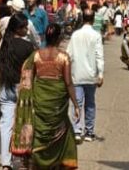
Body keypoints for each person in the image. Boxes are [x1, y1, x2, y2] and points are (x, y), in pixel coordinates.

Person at [11, 23, 81, 169]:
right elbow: (68, 83)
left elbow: (27, 79)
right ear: (59, 38)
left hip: (40, 100)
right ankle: (56, 163)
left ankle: (36, 162)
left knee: (39, 132)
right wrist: (76, 104)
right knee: (63, 131)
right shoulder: (63, 57)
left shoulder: (36, 56)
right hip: (58, 105)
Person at [0, 13, 37, 170]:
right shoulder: (27, 47)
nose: (27, 29)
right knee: (24, 124)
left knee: (6, 126)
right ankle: (21, 158)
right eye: (24, 27)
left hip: (5, 88)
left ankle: (6, 163)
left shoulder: (4, 44)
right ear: (17, 28)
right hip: (23, 89)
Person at [66, 9, 104, 143]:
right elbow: (99, 56)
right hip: (91, 76)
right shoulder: (96, 35)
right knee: (90, 104)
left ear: (82, 19)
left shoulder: (75, 35)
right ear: (93, 20)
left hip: (76, 74)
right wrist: (100, 74)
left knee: (77, 103)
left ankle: (76, 131)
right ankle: (89, 132)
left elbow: (68, 55)